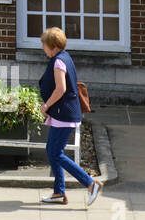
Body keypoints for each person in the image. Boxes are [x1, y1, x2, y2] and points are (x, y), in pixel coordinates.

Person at [38, 26, 102, 206]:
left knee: (55, 153)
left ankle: (90, 183)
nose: (43, 48)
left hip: (63, 114)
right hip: (65, 113)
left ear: (53, 46)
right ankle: (59, 193)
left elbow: (61, 89)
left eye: (44, 44)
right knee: (52, 151)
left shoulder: (58, 62)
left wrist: (46, 105)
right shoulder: (65, 57)